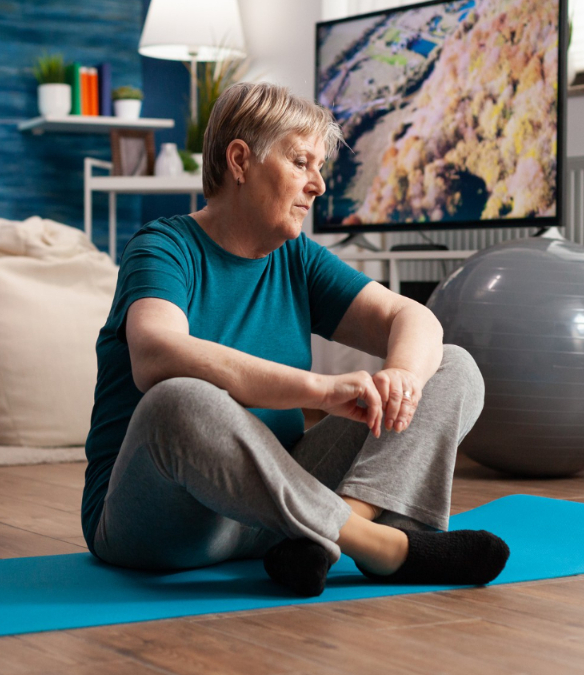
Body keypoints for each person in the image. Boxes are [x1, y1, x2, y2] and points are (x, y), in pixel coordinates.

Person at [80, 82, 509, 597]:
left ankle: (326, 536)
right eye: (302, 162)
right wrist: (320, 391)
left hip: (276, 518)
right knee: (177, 399)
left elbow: (413, 318)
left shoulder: (295, 258)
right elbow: (155, 353)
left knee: (451, 365)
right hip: (160, 523)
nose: (318, 185)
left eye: (319, 167)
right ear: (240, 160)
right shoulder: (164, 247)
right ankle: (379, 546)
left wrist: (401, 376)